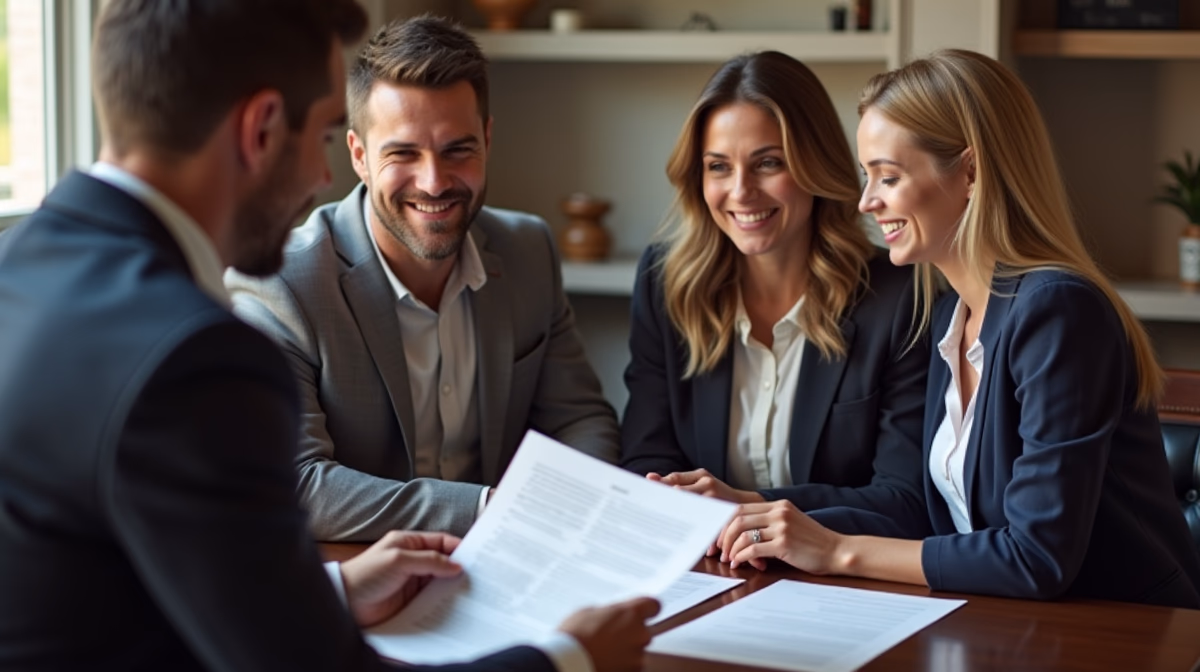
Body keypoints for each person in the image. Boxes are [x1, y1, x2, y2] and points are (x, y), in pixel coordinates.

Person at [0, 2, 657, 670]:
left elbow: (142, 584)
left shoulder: (21, 268)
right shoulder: (192, 351)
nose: (322, 179)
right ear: (261, 129)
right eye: (321, 136)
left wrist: (336, 589)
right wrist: (570, 658)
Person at [716, 49, 1200, 609]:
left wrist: (837, 551)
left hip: (1130, 632)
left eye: (888, 177)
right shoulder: (952, 314)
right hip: (1008, 625)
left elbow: (1036, 557)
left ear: (970, 172)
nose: (868, 201)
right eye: (868, 177)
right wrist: (752, 509)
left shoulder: (1058, 310)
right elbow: (925, 515)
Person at [226, 15, 619, 542]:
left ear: (487, 139)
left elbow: (581, 420)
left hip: (521, 564)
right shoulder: (282, 283)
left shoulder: (528, 250)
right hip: (363, 576)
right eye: (404, 153)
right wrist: (490, 510)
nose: (433, 182)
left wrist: (580, 509)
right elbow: (297, 482)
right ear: (359, 156)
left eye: (457, 150)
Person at [619, 51, 930, 537]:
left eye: (768, 163)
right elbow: (645, 459)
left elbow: (905, 501)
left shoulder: (899, 297)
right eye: (718, 167)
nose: (741, 191)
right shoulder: (666, 283)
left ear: (815, 165)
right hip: (707, 563)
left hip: (839, 573)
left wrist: (748, 507)